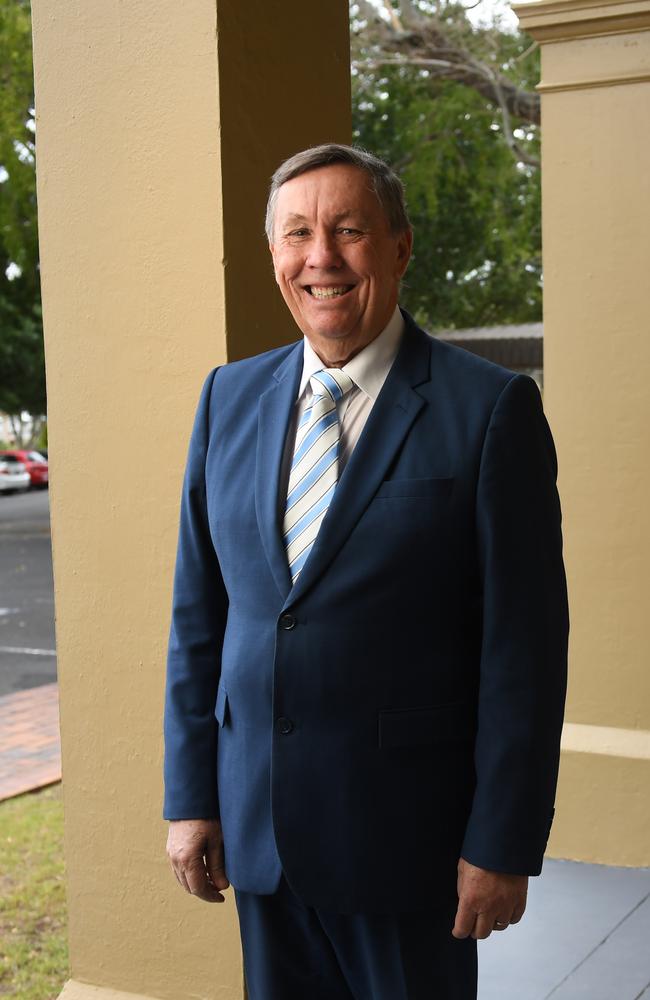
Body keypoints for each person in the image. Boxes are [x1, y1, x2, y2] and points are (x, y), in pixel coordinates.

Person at [163, 143, 569, 999]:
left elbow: (524, 653)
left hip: (408, 845)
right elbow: (200, 618)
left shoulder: (490, 411)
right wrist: (191, 796)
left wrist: (500, 841)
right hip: (259, 831)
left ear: (400, 247)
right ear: (274, 253)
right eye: (297, 234)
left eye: (349, 230)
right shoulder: (226, 400)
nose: (322, 258)